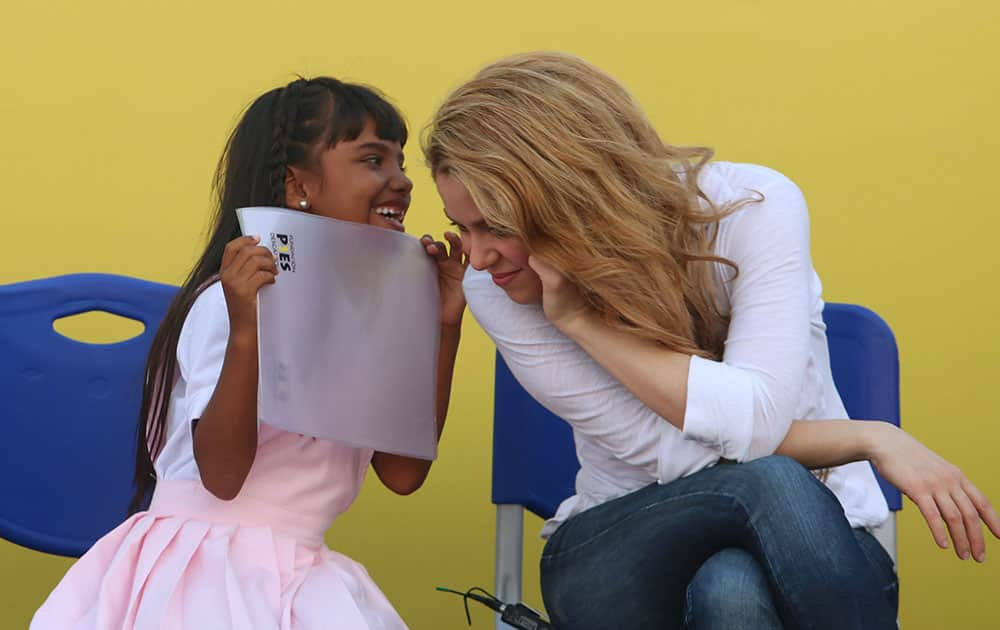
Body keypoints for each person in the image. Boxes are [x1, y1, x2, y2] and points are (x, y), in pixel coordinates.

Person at [423, 51, 1000, 630]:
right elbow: (703, 450)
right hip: (617, 553)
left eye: (496, 226)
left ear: (571, 195)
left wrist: (585, 323)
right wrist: (869, 438)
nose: (477, 256)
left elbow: (752, 418)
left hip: (823, 543)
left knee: (730, 588)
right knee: (768, 482)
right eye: (462, 228)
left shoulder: (753, 209)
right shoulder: (497, 289)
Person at [32, 76, 467, 629]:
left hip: (298, 571)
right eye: (373, 160)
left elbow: (404, 472)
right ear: (296, 185)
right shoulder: (229, 303)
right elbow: (223, 475)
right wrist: (246, 330)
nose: (402, 182)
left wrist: (443, 327)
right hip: (204, 574)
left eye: (402, 164)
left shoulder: (367, 316)